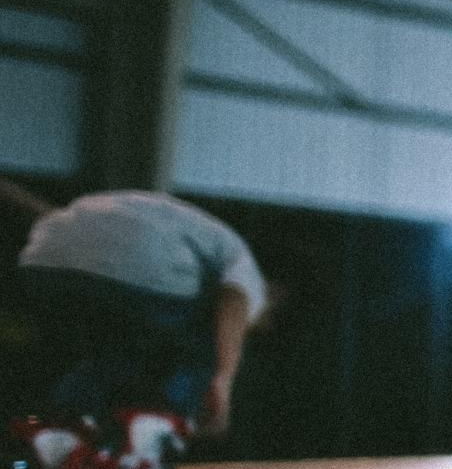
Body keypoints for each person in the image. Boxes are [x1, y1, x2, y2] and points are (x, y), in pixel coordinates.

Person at [4, 181, 266, 440]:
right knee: (209, 345)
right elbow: (236, 298)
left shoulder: (193, 226)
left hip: (43, 264)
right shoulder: (249, 271)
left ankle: (61, 431)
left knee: (106, 358)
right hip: (135, 266)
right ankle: (157, 432)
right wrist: (222, 380)